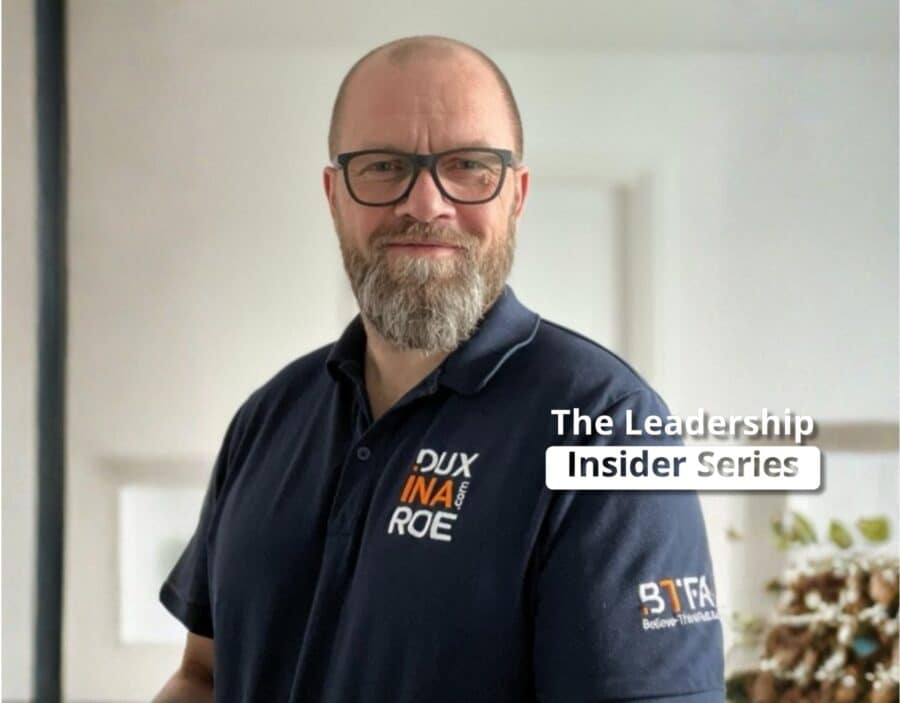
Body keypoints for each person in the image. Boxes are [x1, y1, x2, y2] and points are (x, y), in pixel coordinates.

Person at [153, 35, 724, 703]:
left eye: (469, 166)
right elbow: (203, 676)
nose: (425, 204)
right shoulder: (269, 417)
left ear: (517, 194)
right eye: (383, 165)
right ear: (335, 195)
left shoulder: (608, 429)